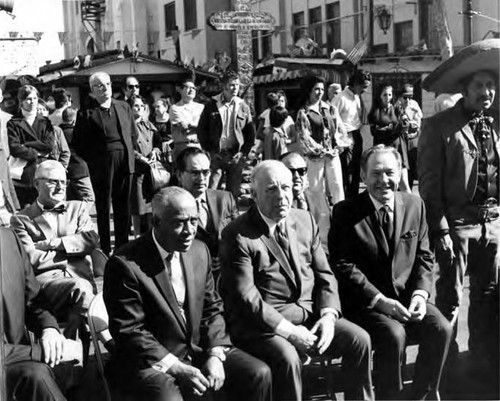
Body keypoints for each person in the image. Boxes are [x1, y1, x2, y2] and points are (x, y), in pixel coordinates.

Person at [220, 160, 374, 401]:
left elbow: (325, 274)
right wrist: (290, 332)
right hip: (266, 326)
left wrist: (328, 316)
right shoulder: (237, 234)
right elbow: (247, 297)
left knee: (359, 340)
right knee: (288, 358)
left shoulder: (304, 220)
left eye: (287, 187)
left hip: (312, 317)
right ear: (254, 194)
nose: (282, 196)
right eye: (272, 189)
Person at [103, 186, 272, 401]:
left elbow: (212, 308)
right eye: (179, 222)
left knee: (257, 373)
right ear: (155, 222)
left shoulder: (199, 251)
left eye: (193, 220)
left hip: (199, 350)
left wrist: (216, 354)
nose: (189, 230)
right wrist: (176, 367)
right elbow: (130, 331)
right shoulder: (125, 264)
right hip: (150, 361)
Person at [329, 145, 452, 400]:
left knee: (441, 328)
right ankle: (390, 396)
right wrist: (379, 300)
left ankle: (422, 394)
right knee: (394, 336)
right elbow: (343, 265)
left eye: (390, 173)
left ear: (400, 173)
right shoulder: (345, 212)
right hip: (368, 303)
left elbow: (424, 255)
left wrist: (420, 294)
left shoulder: (414, 204)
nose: (384, 181)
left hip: (408, 297)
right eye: (375, 173)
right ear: (363, 176)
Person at [419, 40, 500, 377]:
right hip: (457, 224)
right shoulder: (439, 127)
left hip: (492, 224)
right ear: (464, 89)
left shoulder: (495, 126)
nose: (486, 92)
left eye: (491, 86)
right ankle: (445, 365)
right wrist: (440, 230)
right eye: (479, 86)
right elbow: (428, 187)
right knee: (450, 298)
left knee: (487, 295)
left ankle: (479, 360)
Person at [10, 160, 98, 337]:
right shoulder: (21, 219)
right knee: (81, 288)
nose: (60, 187)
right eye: (53, 181)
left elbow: (90, 240)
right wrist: (73, 250)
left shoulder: (78, 208)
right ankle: (104, 345)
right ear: (36, 184)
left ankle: (72, 346)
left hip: (81, 279)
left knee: (82, 296)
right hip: (47, 286)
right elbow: (30, 259)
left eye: (63, 182)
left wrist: (53, 244)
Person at [1, 227, 83, 401]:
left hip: (20, 365)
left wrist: (49, 329)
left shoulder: (8, 237)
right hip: (17, 359)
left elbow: (33, 299)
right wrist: (39, 352)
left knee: (40, 376)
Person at [73, 72, 138, 256]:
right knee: (103, 206)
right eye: (100, 86)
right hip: (101, 165)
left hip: (125, 161)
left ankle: (123, 247)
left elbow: (133, 134)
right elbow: (79, 143)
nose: (105, 88)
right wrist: (95, 161)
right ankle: (105, 249)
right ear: (92, 90)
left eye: (107, 84)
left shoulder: (124, 106)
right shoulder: (86, 113)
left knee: (123, 206)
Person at [176, 147, 238, 283]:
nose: (202, 178)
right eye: (195, 173)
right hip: (188, 278)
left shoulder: (225, 199)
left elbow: (239, 237)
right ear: (179, 175)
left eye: (206, 172)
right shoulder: (171, 207)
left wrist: (226, 256)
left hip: (226, 278)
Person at [197, 70, 255, 198]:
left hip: (235, 157)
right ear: (224, 87)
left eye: (237, 85)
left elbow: (250, 134)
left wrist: (243, 153)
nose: (235, 88)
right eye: (232, 85)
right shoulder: (211, 105)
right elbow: (201, 130)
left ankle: (231, 217)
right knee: (212, 190)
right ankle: (213, 216)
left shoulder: (243, 106)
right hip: (217, 155)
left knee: (233, 193)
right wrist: (209, 151)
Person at [295, 75, 345, 205]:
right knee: (316, 189)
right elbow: (304, 138)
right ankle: (319, 220)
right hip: (314, 157)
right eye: (316, 89)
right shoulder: (303, 112)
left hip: (333, 154)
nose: (320, 92)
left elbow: (340, 128)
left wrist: (338, 145)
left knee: (337, 186)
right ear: (309, 90)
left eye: (322, 89)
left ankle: (340, 216)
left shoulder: (330, 108)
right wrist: (322, 151)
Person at [7, 85, 55, 207]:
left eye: (34, 98)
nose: (32, 102)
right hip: (23, 173)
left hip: (43, 170)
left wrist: (27, 144)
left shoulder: (45, 122)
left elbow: (49, 145)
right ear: (21, 101)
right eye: (28, 99)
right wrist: (36, 153)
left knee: (44, 211)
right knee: (25, 213)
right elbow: (15, 148)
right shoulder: (13, 122)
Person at [281, 152, 330, 255]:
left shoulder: (320, 198)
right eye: (291, 171)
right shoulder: (277, 205)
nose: (297, 176)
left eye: (301, 171)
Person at [333, 69, 371, 199]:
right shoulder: (340, 98)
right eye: (364, 86)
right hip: (345, 138)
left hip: (356, 135)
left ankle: (354, 199)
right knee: (347, 172)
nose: (365, 90)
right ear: (355, 83)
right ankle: (348, 201)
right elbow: (332, 119)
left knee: (356, 170)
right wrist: (341, 138)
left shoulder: (356, 97)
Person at [128, 94, 162, 236]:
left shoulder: (149, 125)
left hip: (151, 172)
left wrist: (155, 151)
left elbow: (158, 143)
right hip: (136, 170)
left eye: (142, 106)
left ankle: (151, 235)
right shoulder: (127, 126)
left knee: (151, 207)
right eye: (136, 105)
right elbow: (128, 147)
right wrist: (140, 157)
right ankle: (136, 236)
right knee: (137, 207)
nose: (139, 108)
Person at [368, 83, 411, 192]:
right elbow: (375, 132)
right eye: (385, 95)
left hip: (398, 149)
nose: (388, 98)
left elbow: (404, 126)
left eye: (390, 95)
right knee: (386, 185)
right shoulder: (375, 112)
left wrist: (388, 129)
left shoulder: (398, 108)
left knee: (404, 184)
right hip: (382, 151)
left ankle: (413, 208)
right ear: (379, 96)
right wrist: (392, 129)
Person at [59, 107, 94, 203]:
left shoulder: (58, 133)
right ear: (74, 120)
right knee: (89, 198)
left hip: (65, 172)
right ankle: (81, 216)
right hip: (80, 171)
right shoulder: (78, 133)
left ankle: (73, 217)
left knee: (71, 201)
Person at [169, 77, 204, 161]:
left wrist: (191, 125)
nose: (191, 90)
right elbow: (184, 128)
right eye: (188, 87)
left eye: (193, 88)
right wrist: (199, 127)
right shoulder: (175, 108)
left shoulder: (201, 107)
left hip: (199, 147)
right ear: (180, 90)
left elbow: (206, 128)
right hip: (182, 148)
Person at [394, 84, 422, 189]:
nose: (408, 100)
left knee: (411, 168)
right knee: (400, 167)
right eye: (405, 97)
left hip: (412, 140)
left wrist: (411, 125)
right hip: (400, 141)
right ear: (400, 96)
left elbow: (417, 124)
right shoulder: (395, 106)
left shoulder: (414, 104)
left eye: (410, 97)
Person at [37, 99, 70, 171]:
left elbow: (65, 152)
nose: (41, 112)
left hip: (54, 171)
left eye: (43, 109)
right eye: (38, 109)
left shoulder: (57, 131)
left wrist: (61, 168)